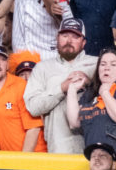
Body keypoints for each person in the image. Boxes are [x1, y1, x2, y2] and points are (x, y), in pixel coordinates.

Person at [23, 17, 98, 152]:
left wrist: (90, 82)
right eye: (64, 35)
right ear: (57, 39)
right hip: (60, 145)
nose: (69, 41)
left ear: (83, 42)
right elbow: (33, 107)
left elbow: (115, 93)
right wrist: (62, 88)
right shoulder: (42, 68)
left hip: (95, 142)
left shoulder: (98, 64)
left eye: (75, 36)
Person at [66, 47, 116, 148]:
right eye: (103, 64)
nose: (106, 68)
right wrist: (72, 89)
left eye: (113, 64)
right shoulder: (91, 91)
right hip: (96, 156)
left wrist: (104, 92)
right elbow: (75, 123)